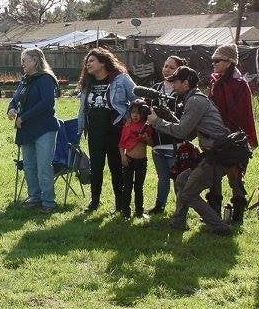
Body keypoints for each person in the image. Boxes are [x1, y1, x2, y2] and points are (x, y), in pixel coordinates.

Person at [147, 67, 233, 234]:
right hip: (213, 153)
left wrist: (157, 122)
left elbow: (182, 132)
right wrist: (169, 118)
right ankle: (178, 222)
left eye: (175, 82)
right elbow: (190, 133)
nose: (172, 86)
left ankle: (220, 227)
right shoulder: (194, 98)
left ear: (185, 83)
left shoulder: (195, 101)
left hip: (218, 155)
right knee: (181, 180)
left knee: (188, 193)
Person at [77, 48, 136, 214]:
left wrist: (131, 117)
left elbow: (136, 98)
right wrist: (80, 129)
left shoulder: (120, 79)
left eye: (92, 61)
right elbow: (82, 108)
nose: (88, 64)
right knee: (95, 168)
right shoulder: (88, 83)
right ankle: (94, 202)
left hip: (114, 130)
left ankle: (121, 205)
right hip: (94, 131)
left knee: (116, 168)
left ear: (103, 62)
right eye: (87, 62)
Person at [207, 44, 258, 228]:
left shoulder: (239, 84)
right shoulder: (214, 81)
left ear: (229, 62)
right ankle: (213, 213)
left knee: (234, 176)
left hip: (234, 138)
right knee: (213, 176)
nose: (213, 64)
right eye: (213, 60)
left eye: (217, 61)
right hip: (215, 136)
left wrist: (231, 136)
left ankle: (237, 214)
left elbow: (242, 114)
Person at [8, 47, 59, 213]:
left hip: (44, 128)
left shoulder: (46, 79)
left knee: (44, 165)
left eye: (25, 60)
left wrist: (24, 117)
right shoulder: (25, 80)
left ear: (35, 61)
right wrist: (11, 109)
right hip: (26, 130)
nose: (22, 64)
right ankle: (34, 198)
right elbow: (15, 100)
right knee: (29, 165)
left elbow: (46, 103)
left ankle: (49, 203)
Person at [146, 55, 184, 215]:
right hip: (157, 141)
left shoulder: (181, 92)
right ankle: (159, 206)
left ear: (179, 71)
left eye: (171, 67)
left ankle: (180, 210)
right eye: (165, 66)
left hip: (175, 142)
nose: (166, 69)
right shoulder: (155, 88)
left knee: (177, 178)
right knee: (162, 177)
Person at [119, 100, 154, 218]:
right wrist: (123, 157)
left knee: (139, 187)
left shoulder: (146, 126)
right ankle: (125, 212)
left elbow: (151, 143)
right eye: (133, 112)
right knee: (127, 187)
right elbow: (121, 145)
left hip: (142, 161)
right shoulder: (128, 126)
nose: (135, 115)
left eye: (138, 113)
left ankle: (139, 211)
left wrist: (146, 138)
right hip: (129, 160)